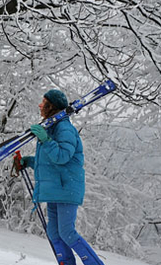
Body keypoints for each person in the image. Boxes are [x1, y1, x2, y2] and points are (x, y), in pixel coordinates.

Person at [15, 89, 105, 265]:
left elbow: (62, 156)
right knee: (54, 233)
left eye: (43, 102)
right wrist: (28, 162)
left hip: (66, 188)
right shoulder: (51, 127)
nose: (40, 105)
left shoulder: (65, 128)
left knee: (66, 232)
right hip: (56, 189)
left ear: (51, 106)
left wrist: (45, 140)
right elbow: (51, 163)